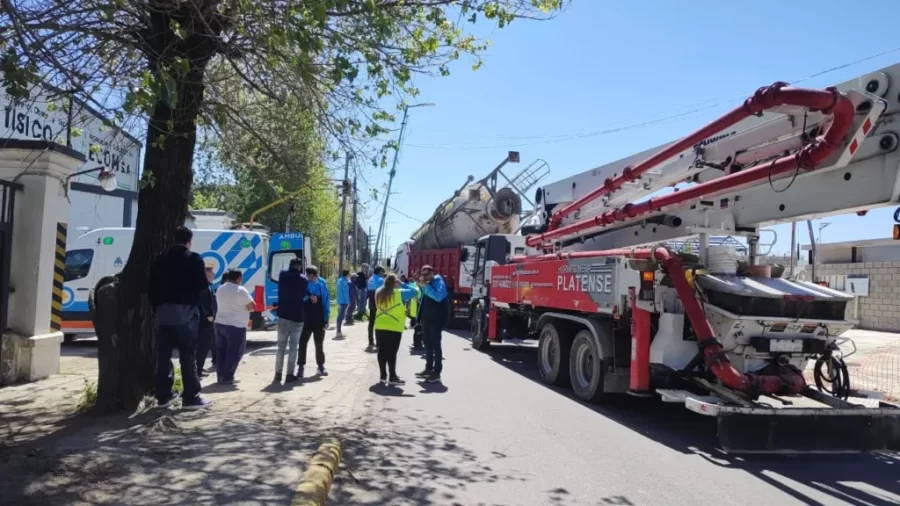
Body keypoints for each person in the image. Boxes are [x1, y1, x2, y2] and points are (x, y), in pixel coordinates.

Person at [148, 226, 211, 409]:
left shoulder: (160, 260)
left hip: (163, 314)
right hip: (186, 314)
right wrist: (208, 313)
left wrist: (156, 309)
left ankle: (163, 395)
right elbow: (202, 288)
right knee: (187, 356)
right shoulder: (194, 259)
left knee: (163, 356)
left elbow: (151, 288)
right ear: (189, 241)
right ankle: (191, 397)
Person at [374, 274, 419, 386]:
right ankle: (393, 376)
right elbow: (415, 291)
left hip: (380, 325)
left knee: (381, 351)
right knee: (392, 353)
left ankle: (383, 376)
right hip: (394, 327)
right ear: (395, 283)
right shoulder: (400, 293)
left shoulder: (378, 292)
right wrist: (403, 283)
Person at [214, 269, 256, 385]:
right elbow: (252, 306)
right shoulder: (240, 290)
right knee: (236, 351)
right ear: (239, 278)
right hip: (236, 325)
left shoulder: (220, 289)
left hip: (220, 323)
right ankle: (228, 377)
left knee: (221, 351)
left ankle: (221, 376)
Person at [274, 257, 307, 384]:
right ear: (299, 266)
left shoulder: (282, 275)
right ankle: (289, 375)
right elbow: (303, 294)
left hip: (283, 316)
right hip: (297, 317)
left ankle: (278, 374)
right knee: (293, 348)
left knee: (280, 347)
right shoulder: (303, 279)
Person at [416, 264, 450, 383]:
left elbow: (438, 297)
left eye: (426, 274)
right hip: (427, 319)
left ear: (432, 273)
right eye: (423, 274)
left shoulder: (438, 282)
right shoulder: (427, 284)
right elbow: (423, 299)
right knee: (427, 345)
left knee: (436, 346)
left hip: (436, 320)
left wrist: (426, 287)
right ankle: (428, 369)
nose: (424, 277)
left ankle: (437, 372)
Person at [297, 265, 330, 378]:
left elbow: (326, 301)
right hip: (306, 317)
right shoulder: (304, 282)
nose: (306, 276)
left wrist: (326, 318)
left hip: (319, 317)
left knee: (319, 343)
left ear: (312, 275)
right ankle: (301, 367)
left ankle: (321, 366)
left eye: (308, 275)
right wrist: (310, 297)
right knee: (302, 342)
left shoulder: (322, 283)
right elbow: (301, 297)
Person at [196, 265, 218, 376]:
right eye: (211, 272)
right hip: (204, 322)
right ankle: (197, 370)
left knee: (204, 346)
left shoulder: (207, 286)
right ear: (206, 274)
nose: (213, 274)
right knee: (202, 346)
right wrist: (210, 317)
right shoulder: (204, 287)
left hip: (203, 321)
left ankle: (199, 367)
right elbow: (205, 304)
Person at [366, 265, 386, 349]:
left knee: (371, 322)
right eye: (382, 271)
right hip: (379, 302)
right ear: (379, 272)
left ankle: (370, 341)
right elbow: (383, 292)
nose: (383, 273)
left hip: (371, 302)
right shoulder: (381, 280)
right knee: (379, 323)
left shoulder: (370, 279)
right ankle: (378, 342)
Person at [409, 273, 424, 351]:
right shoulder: (416, 288)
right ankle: (417, 344)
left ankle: (418, 343)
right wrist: (420, 302)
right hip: (416, 311)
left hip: (418, 311)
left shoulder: (420, 288)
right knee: (418, 328)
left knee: (420, 328)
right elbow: (414, 297)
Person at [335, 269, 351, 338]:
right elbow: (345, 293)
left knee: (340, 316)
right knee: (341, 316)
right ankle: (338, 331)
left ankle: (339, 331)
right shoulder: (344, 282)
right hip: (343, 301)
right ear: (347, 274)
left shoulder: (339, 280)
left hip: (339, 300)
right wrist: (348, 301)